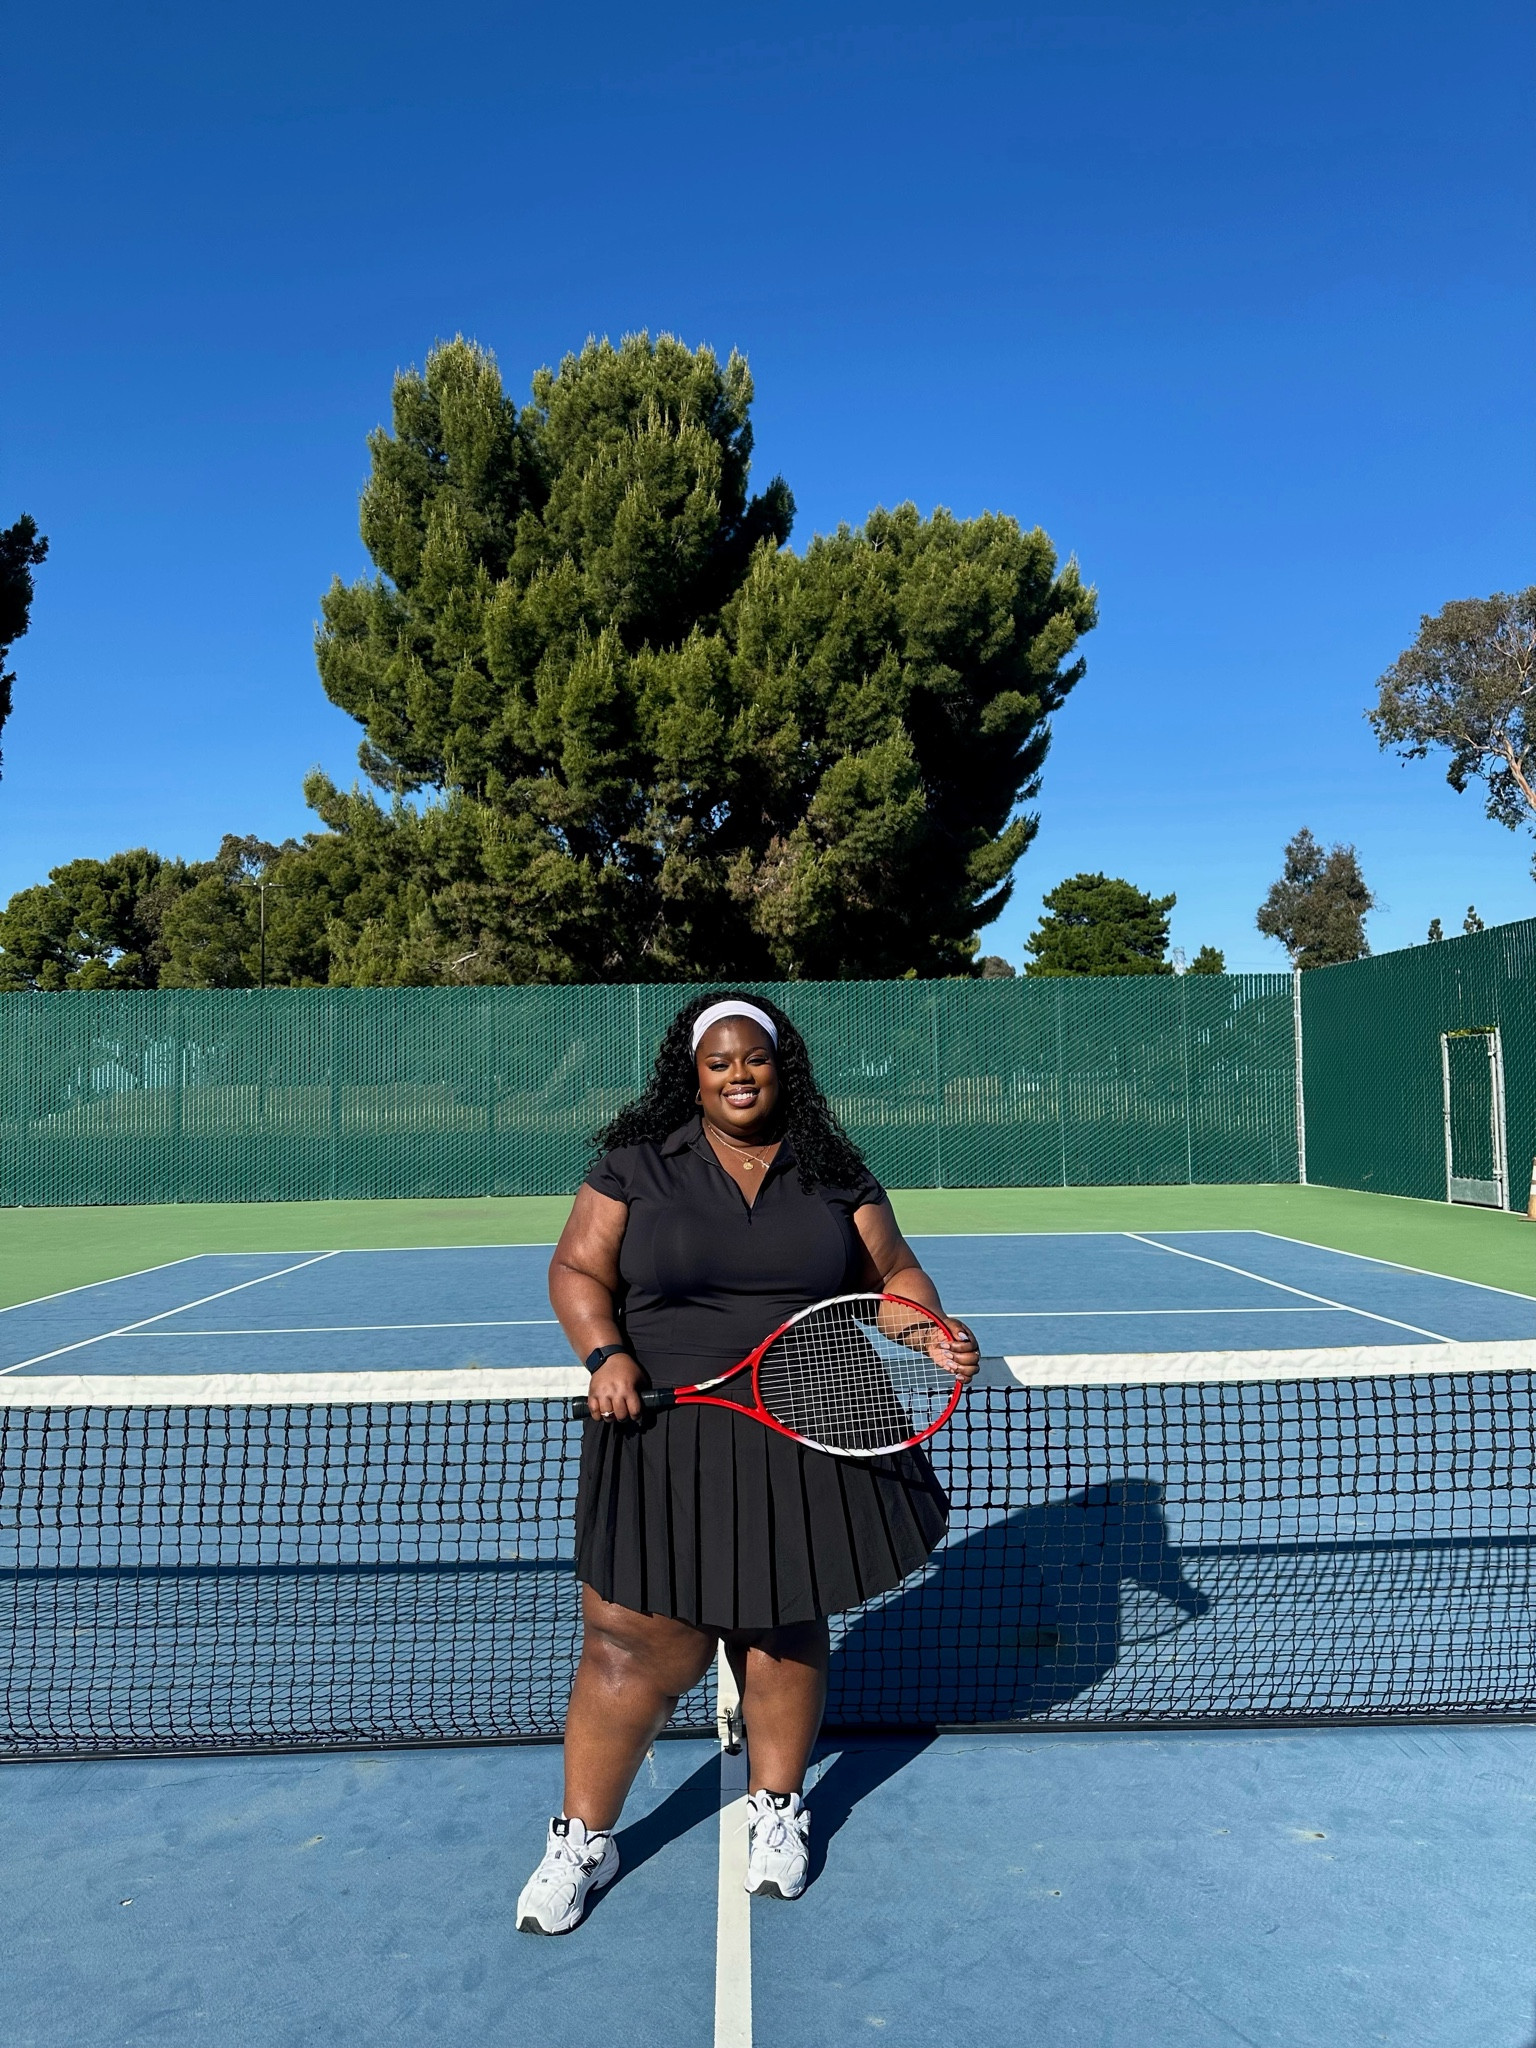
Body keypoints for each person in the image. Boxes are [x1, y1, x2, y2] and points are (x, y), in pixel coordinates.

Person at [516, 992, 980, 1935]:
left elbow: (892, 1273)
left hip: (811, 1418)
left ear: (781, 1065)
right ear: (692, 1072)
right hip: (662, 1427)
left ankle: (778, 1809)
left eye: (755, 1058)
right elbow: (575, 1271)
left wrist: (925, 1325)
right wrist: (606, 1356)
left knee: (782, 1624)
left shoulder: (833, 1170)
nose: (738, 1074)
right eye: (719, 1060)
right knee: (630, 1642)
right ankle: (581, 1841)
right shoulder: (635, 1167)